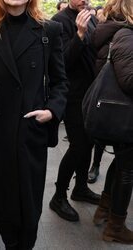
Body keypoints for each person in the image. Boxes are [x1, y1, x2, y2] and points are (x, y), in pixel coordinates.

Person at [0, 0, 69, 248]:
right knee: (3, 206)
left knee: (29, 205)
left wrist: (51, 111)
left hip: (29, 131)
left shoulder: (49, 30)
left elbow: (60, 82)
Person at [49, 0, 100, 222]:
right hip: (71, 96)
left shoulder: (92, 17)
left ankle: (80, 188)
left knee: (88, 142)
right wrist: (79, 35)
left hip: (91, 93)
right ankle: (58, 196)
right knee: (78, 144)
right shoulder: (58, 22)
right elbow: (62, 62)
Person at [92, 0, 133, 244]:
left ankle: (105, 208)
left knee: (121, 163)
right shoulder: (126, 35)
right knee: (127, 170)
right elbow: (129, 79)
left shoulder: (113, 31)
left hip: (119, 114)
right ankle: (115, 226)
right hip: (125, 116)